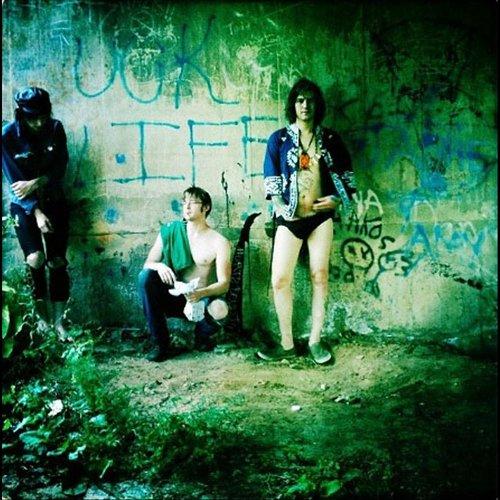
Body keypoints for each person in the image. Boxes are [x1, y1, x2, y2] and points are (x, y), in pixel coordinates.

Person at [257, 77, 356, 364]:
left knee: (319, 276)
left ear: (318, 105)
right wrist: (281, 208)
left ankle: (315, 340)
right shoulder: (279, 139)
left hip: (320, 219)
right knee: (279, 280)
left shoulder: (331, 140)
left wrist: (337, 199)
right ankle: (287, 343)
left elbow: (348, 179)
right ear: (293, 104)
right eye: (300, 100)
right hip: (289, 219)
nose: (305, 105)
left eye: (310, 100)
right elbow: (271, 181)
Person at [2, 86, 72, 340]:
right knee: (35, 258)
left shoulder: (55, 128)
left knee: (57, 261)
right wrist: (37, 212)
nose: (39, 122)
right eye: (33, 118)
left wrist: (37, 182)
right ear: (21, 114)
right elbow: (16, 183)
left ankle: (59, 323)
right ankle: (43, 321)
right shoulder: (7, 135)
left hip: (55, 200)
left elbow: (60, 166)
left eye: (43, 116)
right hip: (24, 206)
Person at [138, 186, 232, 362]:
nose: (187, 207)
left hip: (201, 299)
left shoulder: (219, 242)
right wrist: (159, 266)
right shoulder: (170, 231)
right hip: (175, 296)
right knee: (145, 276)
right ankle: (160, 344)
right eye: (184, 202)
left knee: (220, 309)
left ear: (206, 207)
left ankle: (202, 336)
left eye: (193, 202)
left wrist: (200, 294)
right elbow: (148, 264)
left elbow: (224, 284)